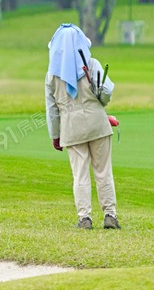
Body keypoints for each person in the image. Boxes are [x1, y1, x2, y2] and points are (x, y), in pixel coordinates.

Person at [45, 23, 120, 229]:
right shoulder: (92, 64)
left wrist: (55, 135)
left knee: (80, 175)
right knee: (103, 171)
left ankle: (84, 218)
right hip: (97, 124)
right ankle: (110, 215)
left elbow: (52, 110)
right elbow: (105, 96)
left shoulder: (52, 75)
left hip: (71, 129)